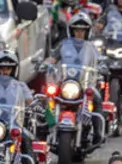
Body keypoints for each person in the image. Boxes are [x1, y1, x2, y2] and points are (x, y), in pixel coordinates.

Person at [49, 12, 105, 144]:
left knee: (96, 98)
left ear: (87, 31)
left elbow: (100, 60)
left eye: (82, 30)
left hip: (85, 85)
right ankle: (46, 129)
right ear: (71, 30)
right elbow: (52, 58)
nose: (79, 33)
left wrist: (103, 66)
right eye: (76, 30)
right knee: (48, 96)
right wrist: (46, 64)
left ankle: (98, 133)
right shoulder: (63, 45)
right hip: (65, 83)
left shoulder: (92, 48)